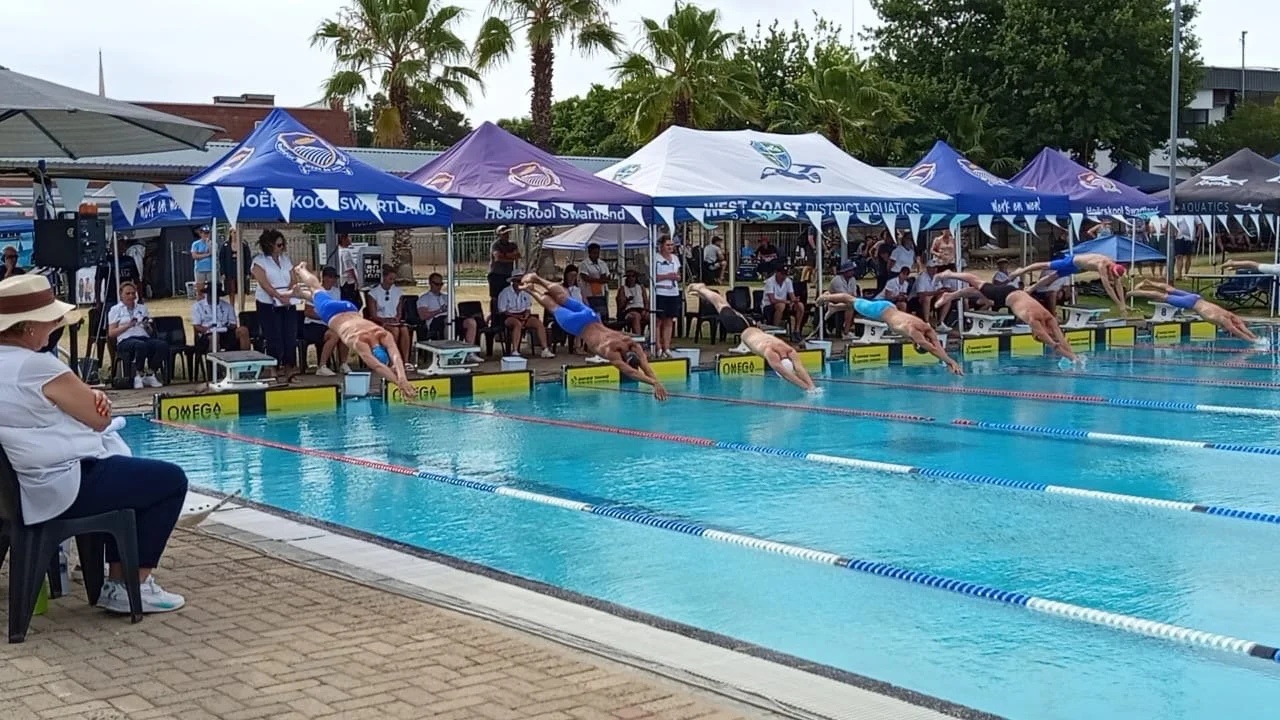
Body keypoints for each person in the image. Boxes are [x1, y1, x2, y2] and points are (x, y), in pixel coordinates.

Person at [0, 275, 188, 613]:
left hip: (16, 489)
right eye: (50, 320)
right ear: (29, 326)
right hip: (58, 486)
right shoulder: (37, 366)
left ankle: (118, 577)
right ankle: (129, 583)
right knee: (169, 481)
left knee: (127, 476)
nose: (54, 327)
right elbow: (98, 418)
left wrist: (87, 399)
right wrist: (94, 399)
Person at [521, 273, 668, 400]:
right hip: (578, 326)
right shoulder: (611, 352)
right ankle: (532, 290)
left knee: (562, 297)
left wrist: (657, 382)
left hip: (591, 317)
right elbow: (631, 371)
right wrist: (653, 382)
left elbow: (645, 365)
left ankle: (537, 279)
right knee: (553, 306)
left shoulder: (629, 342)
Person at [290, 263, 417, 396]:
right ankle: (300, 270)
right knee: (316, 287)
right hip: (331, 314)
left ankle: (301, 292)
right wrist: (400, 382)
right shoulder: (359, 341)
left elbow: (396, 357)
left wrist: (403, 380)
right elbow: (379, 366)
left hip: (350, 308)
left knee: (318, 293)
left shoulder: (382, 333)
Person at [686, 283, 815, 390]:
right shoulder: (770, 352)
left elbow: (799, 368)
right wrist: (806, 387)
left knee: (722, 304)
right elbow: (786, 374)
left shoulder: (788, 349)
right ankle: (701, 288)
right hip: (739, 326)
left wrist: (812, 386)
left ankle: (702, 293)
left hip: (751, 325)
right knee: (720, 303)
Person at [935, 270, 1077, 361]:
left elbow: (1061, 339)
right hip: (1004, 295)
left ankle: (951, 295)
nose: (1051, 332)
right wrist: (1062, 350)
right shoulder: (1033, 320)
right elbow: (1055, 344)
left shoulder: (1049, 318)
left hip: (1014, 293)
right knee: (976, 282)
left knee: (977, 290)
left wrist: (1074, 357)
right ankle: (949, 274)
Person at [818, 291, 963, 375]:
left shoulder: (926, 328)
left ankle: (834, 308)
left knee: (855, 304)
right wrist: (950, 361)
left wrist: (950, 362)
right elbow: (932, 348)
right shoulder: (912, 332)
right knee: (852, 299)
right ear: (916, 344)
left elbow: (936, 345)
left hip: (889, 307)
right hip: (879, 311)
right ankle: (826, 297)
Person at [1130, 280, 1262, 343]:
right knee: (1160, 296)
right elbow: (1238, 331)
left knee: (1170, 289)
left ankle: (1147, 282)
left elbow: (1240, 324)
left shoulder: (1227, 314)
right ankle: (1133, 293)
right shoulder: (1223, 319)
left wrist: (1254, 336)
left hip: (1197, 298)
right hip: (1191, 303)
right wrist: (1254, 342)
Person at [250, 229, 298, 382]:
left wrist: (289, 294)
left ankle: (289, 367)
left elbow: (293, 278)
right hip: (268, 303)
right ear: (269, 245)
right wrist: (278, 296)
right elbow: (264, 284)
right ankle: (274, 368)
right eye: (278, 244)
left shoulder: (285, 259)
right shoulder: (259, 261)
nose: (281, 247)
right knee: (274, 336)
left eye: (283, 244)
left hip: (287, 302)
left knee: (290, 336)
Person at [1009, 252, 1128, 314]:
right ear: (1112, 270)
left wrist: (1123, 304)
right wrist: (1119, 304)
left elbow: (1117, 285)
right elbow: (1108, 288)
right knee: (1045, 265)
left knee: (1053, 277)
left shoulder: (1114, 266)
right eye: (1112, 276)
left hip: (1078, 268)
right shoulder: (1102, 265)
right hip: (1072, 262)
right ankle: (1021, 271)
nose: (1112, 278)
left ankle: (1030, 289)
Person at [107, 281, 167, 388]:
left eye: (133, 293)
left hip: (143, 337)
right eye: (128, 293)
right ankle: (137, 374)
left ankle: (150, 373)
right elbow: (111, 333)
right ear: (121, 295)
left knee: (161, 345)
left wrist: (146, 325)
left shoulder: (142, 308)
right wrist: (128, 325)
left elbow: (151, 332)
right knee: (140, 345)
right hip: (126, 340)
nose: (131, 296)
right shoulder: (115, 310)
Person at [300, 267, 347, 376]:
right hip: (314, 325)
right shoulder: (314, 292)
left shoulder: (336, 292)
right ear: (324, 278)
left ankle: (343, 363)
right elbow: (308, 312)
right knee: (334, 335)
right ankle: (322, 365)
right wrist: (324, 317)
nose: (333, 280)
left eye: (335, 277)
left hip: (330, 324)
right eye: (330, 277)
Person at [497, 271, 554, 358]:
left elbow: (528, 308)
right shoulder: (505, 292)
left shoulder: (526, 292)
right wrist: (517, 317)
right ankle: (515, 350)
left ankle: (545, 349)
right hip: (508, 316)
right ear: (513, 282)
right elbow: (502, 311)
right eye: (518, 281)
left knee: (538, 323)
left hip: (523, 315)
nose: (520, 283)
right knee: (517, 324)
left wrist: (526, 316)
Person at [365, 265, 412, 364]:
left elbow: (399, 310)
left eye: (394, 279)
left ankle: (405, 360)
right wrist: (385, 320)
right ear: (383, 278)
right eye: (390, 279)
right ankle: (391, 359)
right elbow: (373, 314)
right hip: (380, 320)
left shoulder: (398, 291)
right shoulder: (373, 293)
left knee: (404, 330)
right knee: (394, 331)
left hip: (394, 319)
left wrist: (397, 318)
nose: (392, 282)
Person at [191, 283, 250, 356]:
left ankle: (246, 360)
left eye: (216, 294)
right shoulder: (198, 306)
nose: (213, 296)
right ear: (207, 294)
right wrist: (206, 329)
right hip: (207, 334)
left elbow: (233, 324)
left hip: (225, 332)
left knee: (243, 330)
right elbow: (196, 325)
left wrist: (225, 327)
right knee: (214, 336)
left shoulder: (227, 306)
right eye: (211, 294)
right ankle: (215, 364)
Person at [653, 235, 682, 359]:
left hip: (673, 292)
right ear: (661, 246)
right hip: (660, 292)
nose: (670, 247)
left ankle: (667, 347)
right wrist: (666, 276)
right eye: (668, 245)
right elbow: (652, 277)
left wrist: (677, 277)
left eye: (672, 245)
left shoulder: (675, 258)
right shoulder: (656, 258)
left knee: (669, 320)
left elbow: (679, 274)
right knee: (658, 320)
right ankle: (658, 346)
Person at [763, 266, 805, 340]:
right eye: (782, 274)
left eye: (785, 274)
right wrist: (787, 302)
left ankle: (796, 330)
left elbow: (792, 296)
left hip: (784, 305)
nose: (784, 276)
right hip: (769, 306)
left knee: (800, 306)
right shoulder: (770, 282)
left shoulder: (788, 281)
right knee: (781, 306)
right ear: (777, 273)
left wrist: (795, 301)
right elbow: (772, 300)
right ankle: (775, 331)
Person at [487, 226, 521, 318]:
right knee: (495, 297)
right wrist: (510, 257)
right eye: (503, 233)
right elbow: (498, 258)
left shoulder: (513, 245)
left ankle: (504, 315)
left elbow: (518, 255)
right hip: (495, 274)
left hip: (507, 274)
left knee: (505, 295)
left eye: (507, 233)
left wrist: (505, 256)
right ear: (499, 235)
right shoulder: (495, 245)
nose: (506, 235)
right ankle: (494, 317)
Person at [828, 260, 859, 339]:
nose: (853, 272)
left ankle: (857, 330)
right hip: (834, 303)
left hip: (848, 301)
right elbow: (842, 296)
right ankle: (846, 332)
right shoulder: (836, 280)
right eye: (851, 270)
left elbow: (854, 294)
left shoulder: (853, 279)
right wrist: (850, 296)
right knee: (850, 306)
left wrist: (851, 297)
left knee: (858, 305)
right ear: (845, 271)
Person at [579, 243, 611, 317]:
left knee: (601, 313)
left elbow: (607, 276)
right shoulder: (584, 264)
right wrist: (598, 280)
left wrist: (602, 279)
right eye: (594, 253)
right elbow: (585, 277)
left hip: (601, 292)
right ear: (590, 253)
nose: (596, 255)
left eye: (598, 253)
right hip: (589, 293)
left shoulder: (602, 263)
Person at [615, 270, 649, 335]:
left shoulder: (641, 287)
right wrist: (627, 300)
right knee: (636, 316)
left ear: (636, 278)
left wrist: (646, 310)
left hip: (641, 309)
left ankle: (653, 339)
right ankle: (638, 338)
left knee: (650, 316)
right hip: (629, 310)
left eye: (633, 276)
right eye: (628, 276)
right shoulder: (623, 289)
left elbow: (646, 301)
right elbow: (621, 306)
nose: (631, 278)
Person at [190, 225, 212, 296]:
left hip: (210, 269)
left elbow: (213, 253)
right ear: (200, 233)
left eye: (207, 233)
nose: (206, 235)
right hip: (200, 269)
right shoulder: (195, 244)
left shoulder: (212, 243)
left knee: (211, 291)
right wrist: (207, 255)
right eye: (204, 233)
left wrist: (209, 245)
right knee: (200, 291)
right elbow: (194, 256)